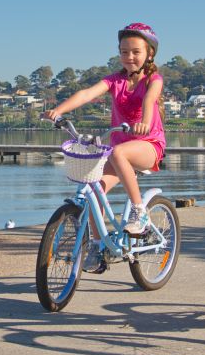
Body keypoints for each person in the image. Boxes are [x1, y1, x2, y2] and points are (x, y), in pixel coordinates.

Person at [43, 22, 166, 236]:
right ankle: (97, 246)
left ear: (149, 53)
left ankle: (140, 212)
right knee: (93, 190)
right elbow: (86, 94)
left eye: (136, 52)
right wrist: (58, 110)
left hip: (149, 145)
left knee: (119, 152)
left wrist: (144, 123)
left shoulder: (153, 80)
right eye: (124, 52)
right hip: (117, 150)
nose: (129, 57)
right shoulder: (115, 80)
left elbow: (149, 99)